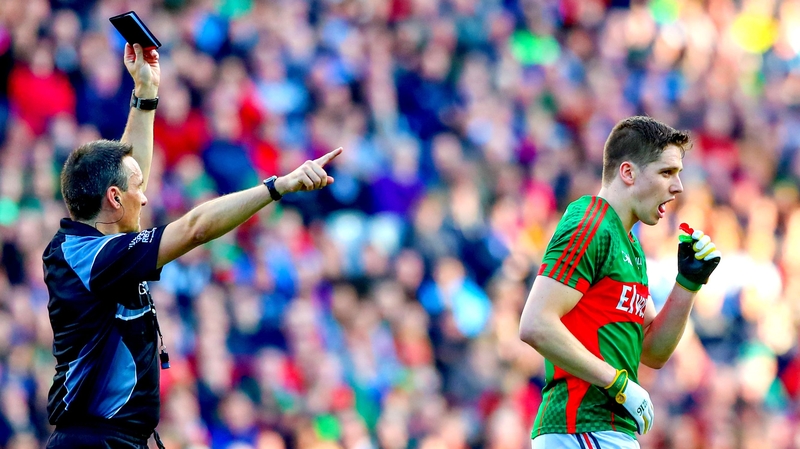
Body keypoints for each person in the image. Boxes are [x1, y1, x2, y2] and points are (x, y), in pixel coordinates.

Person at [41, 44, 342, 449]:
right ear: (114, 198)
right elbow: (196, 228)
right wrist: (277, 186)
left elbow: (130, 174)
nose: (145, 198)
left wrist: (146, 95)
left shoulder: (89, 244)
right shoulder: (94, 258)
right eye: (136, 191)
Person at [519, 116, 722, 448]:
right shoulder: (590, 222)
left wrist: (688, 283)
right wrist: (618, 384)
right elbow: (535, 324)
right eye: (666, 172)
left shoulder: (630, 245)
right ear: (628, 172)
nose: (678, 187)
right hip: (581, 425)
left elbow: (653, 351)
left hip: (601, 430)